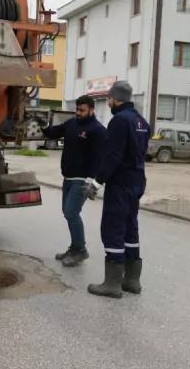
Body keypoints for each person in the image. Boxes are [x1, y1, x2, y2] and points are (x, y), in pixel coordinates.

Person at [82, 81, 150, 298]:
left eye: (109, 99)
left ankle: (112, 284)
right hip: (137, 182)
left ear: (115, 98)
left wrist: (95, 182)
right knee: (131, 229)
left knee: (113, 229)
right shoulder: (141, 121)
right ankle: (131, 280)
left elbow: (112, 155)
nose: (108, 102)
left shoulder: (119, 120)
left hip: (120, 184)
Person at [37, 95, 107, 266]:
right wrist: (44, 124)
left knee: (71, 212)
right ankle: (75, 248)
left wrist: (92, 181)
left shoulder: (97, 130)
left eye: (82, 110)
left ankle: (80, 250)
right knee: (68, 212)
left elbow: (100, 158)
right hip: (68, 177)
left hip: (82, 179)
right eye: (77, 109)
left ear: (92, 110)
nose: (78, 113)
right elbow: (53, 133)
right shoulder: (72, 123)